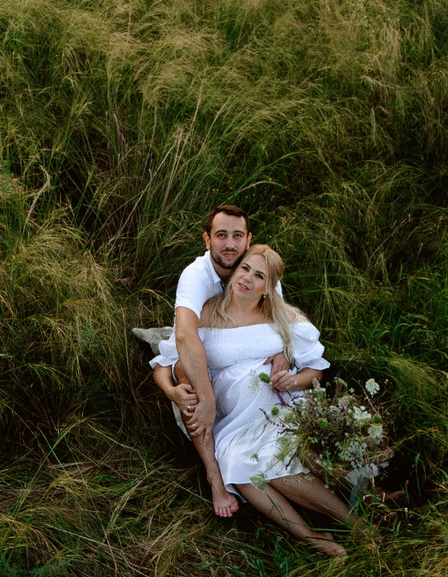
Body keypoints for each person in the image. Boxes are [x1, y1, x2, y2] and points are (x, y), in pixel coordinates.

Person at [151, 243, 355, 557]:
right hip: (235, 421)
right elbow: (165, 364)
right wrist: (171, 391)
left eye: (258, 275)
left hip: (279, 410)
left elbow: (316, 371)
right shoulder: (206, 314)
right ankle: (313, 537)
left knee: (278, 468)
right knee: (235, 465)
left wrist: (291, 378)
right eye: (245, 268)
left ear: (267, 288)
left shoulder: (282, 317)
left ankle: (357, 526)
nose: (247, 277)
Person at [154, 205, 254, 516]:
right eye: (220, 235)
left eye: (237, 236)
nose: (229, 244)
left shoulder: (259, 270)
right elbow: (183, 338)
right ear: (206, 240)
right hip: (200, 356)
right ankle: (215, 478)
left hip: (241, 356)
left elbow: (277, 322)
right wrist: (204, 397)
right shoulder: (195, 275)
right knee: (188, 374)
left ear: (248, 240)